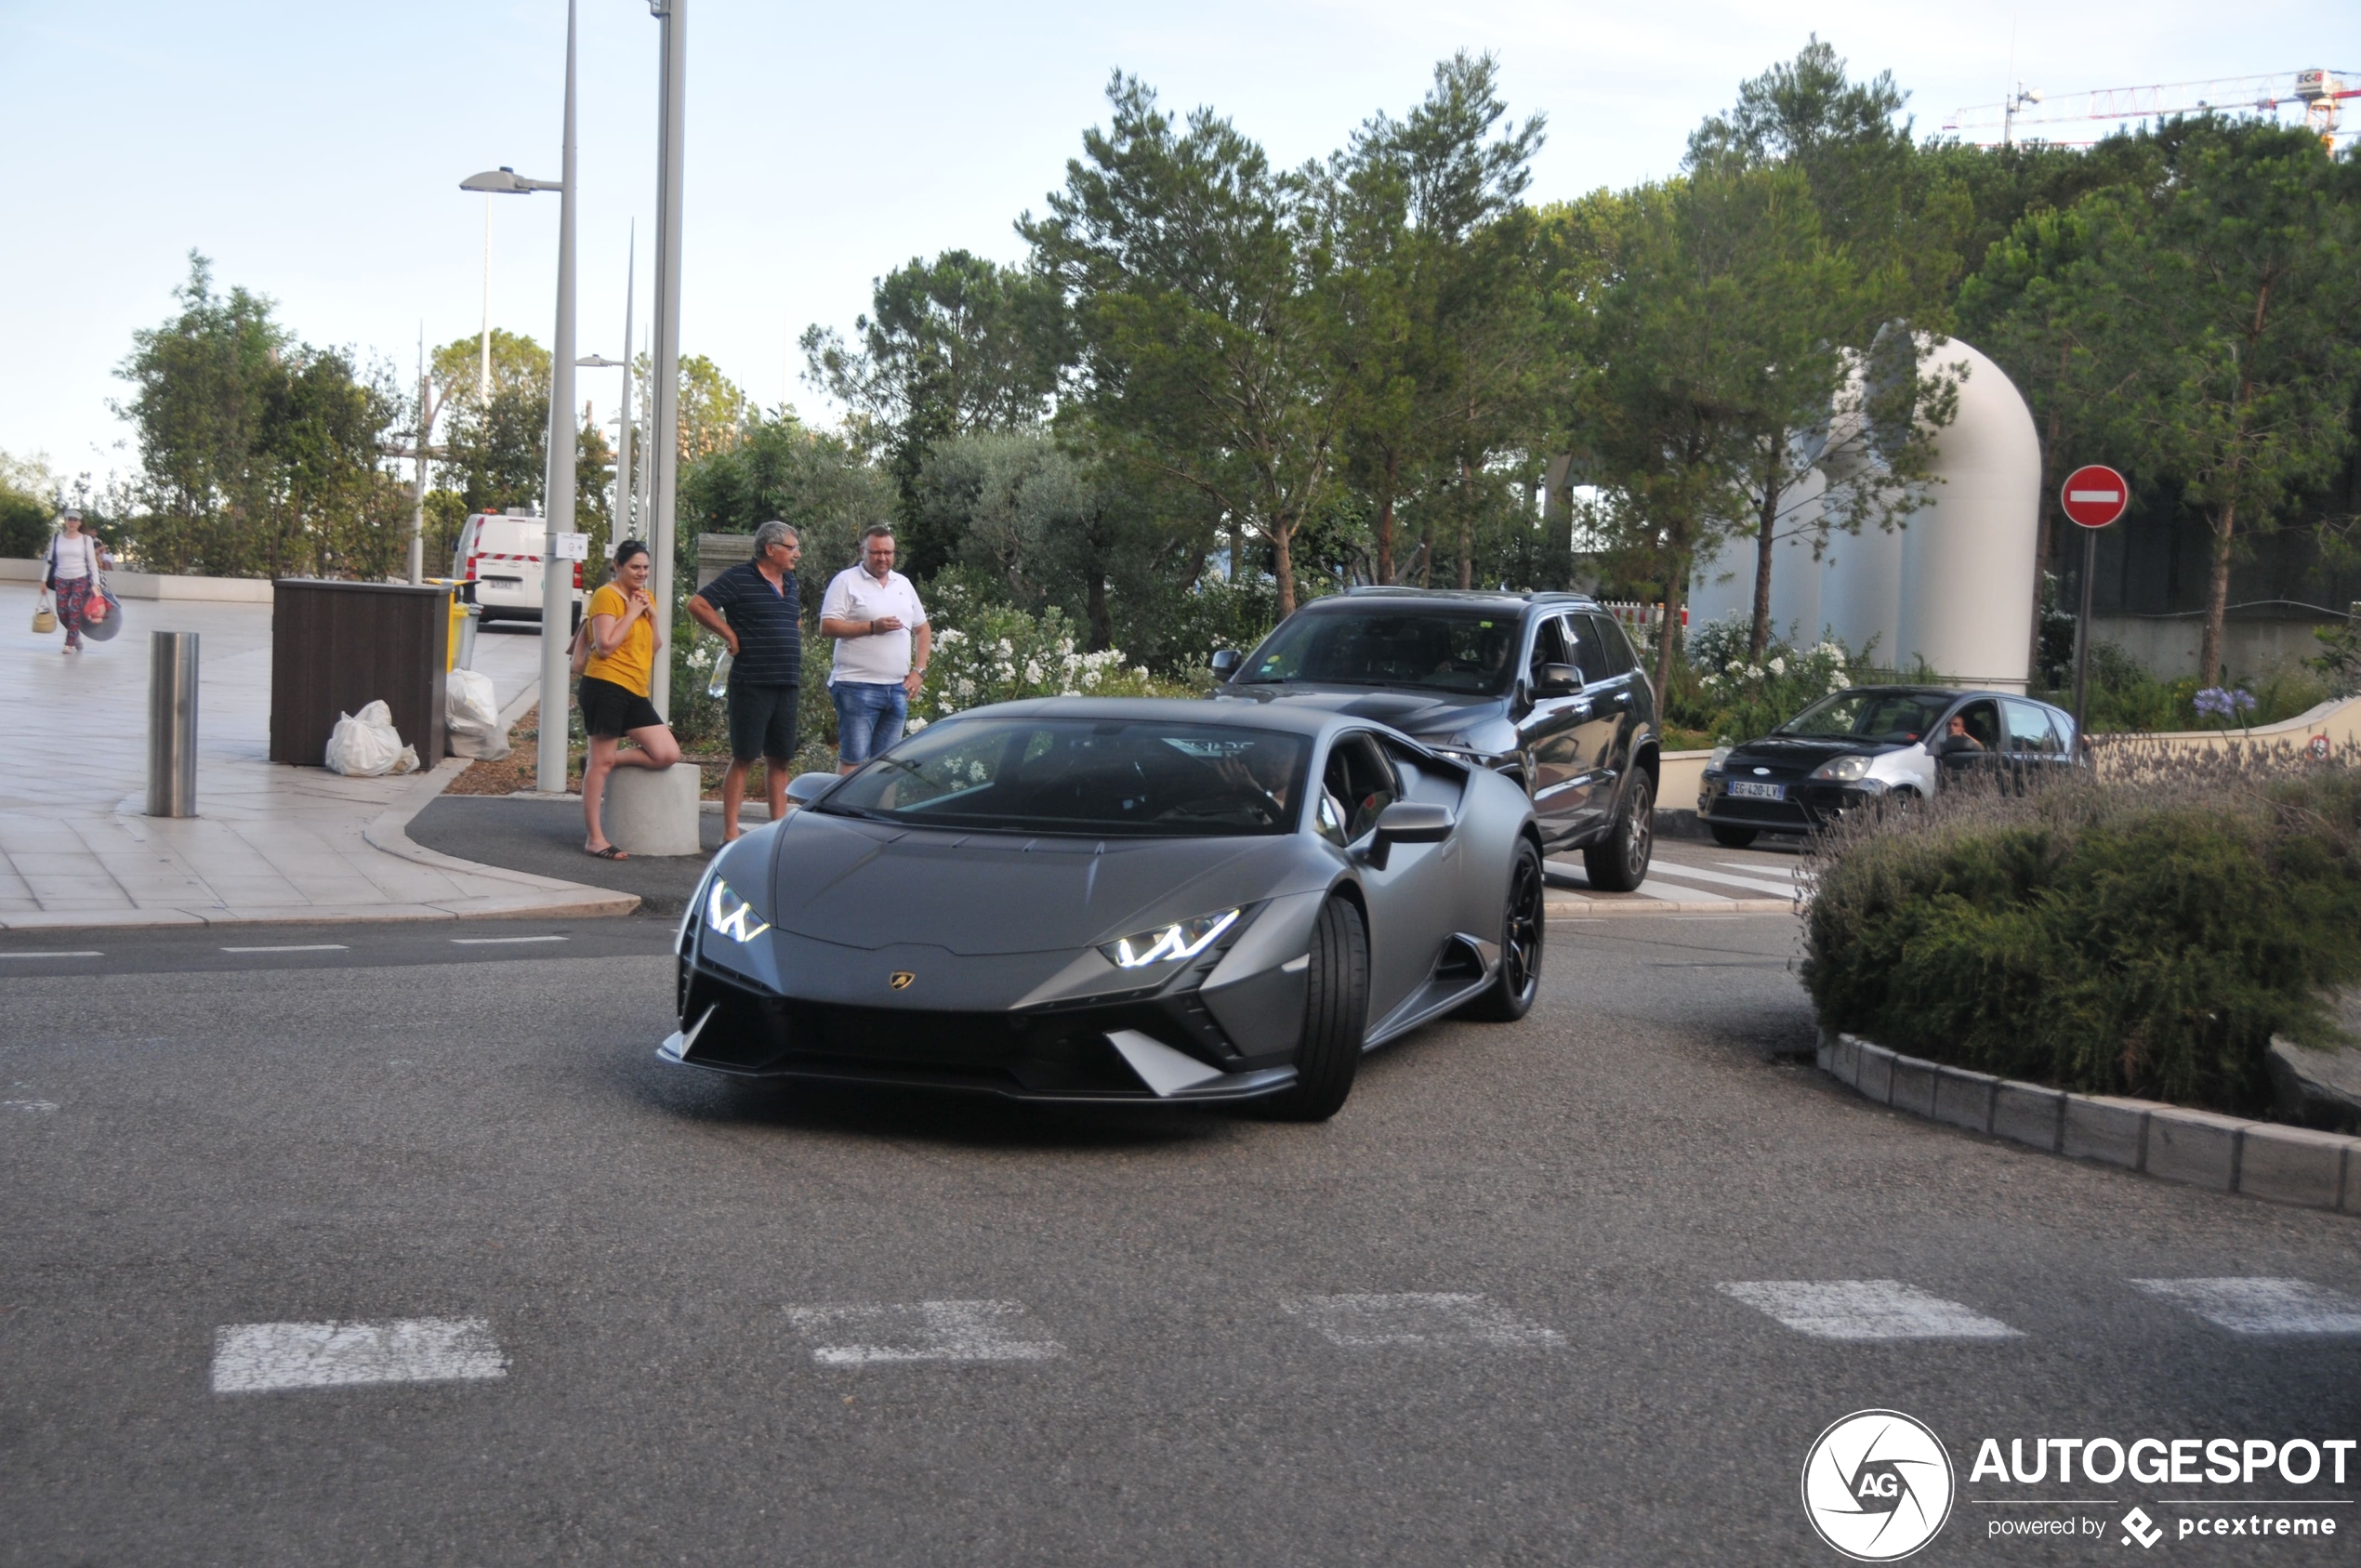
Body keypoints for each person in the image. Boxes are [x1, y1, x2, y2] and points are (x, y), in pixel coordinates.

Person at [685, 520, 802, 842]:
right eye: (792, 548)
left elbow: (794, 619)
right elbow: (698, 604)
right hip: (752, 681)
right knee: (745, 756)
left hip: (787, 681)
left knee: (781, 758)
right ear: (771, 548)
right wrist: (728, 632)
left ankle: (778, 832)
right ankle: (729, 833)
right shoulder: (739, 578)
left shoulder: (791, 583)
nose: (798, 554)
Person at [578, 538, 682, 859]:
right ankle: (595, 838)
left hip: (635, 689)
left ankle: (601, 762)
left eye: (646, 567)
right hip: (605, 684)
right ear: (618, 566)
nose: (642, 573)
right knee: (601, 763)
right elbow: (606, 645)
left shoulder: (644, 597)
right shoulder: (606, 596)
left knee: (667, 753)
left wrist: (650, 614)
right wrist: (632, 611)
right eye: (635, 567)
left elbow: (653, 647)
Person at [819, 524, 930, 775]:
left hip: (897, 687)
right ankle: (843, 813)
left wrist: (919, 671)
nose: (883, 558)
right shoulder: (846, 581)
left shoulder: (902, 583)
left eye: (888, 552)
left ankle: (880, 814)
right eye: (876, 552)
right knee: (853, 759)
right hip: (856, 685)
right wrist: (872, 627)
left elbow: (923, 629)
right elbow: (826, 626)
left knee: (890, 764)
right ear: (862, 551)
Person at [45, 508, 112, 655]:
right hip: (61, 578)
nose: (72, 522)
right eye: (69, 519)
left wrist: (95, 582)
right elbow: (49, 561)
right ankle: (74, 634)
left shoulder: (85, 539)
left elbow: (92, 562)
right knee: (62, 612)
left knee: (74, 610)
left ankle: (69, 643)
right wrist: (43, 581)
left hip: (80, 579)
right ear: (65, 521)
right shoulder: (57, 538)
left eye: (75, 520)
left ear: (80, 523)